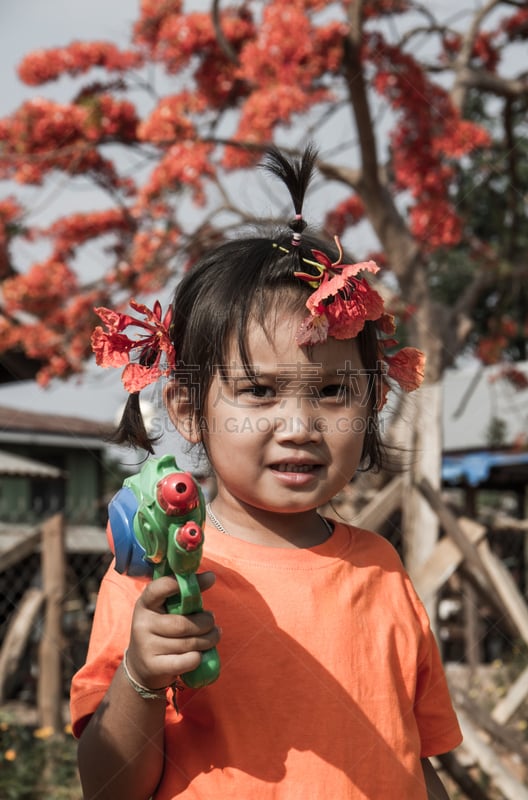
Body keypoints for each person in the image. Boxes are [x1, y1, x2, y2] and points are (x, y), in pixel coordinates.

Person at [71, 146, 462, 800]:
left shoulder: (381, 569)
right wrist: (140, 675)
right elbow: (108, 788)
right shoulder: (159, 578)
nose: (299, 424)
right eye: (258, 392)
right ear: (188, 409)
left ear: (374, 402)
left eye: (333, 393)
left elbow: (411, 760)